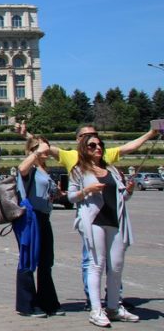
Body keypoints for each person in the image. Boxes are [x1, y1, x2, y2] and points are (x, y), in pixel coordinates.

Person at [19, 121, 158, 308]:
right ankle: (91, 301)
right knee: (91, 259)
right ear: (78, 140)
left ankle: (114, 299)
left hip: (112, 213)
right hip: (89, 214)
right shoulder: (72, 156)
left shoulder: (103, 153)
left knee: (114, 261)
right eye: (87, 138)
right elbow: (44, 148)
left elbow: (129, 147)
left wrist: (150, 134)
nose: (94, 143)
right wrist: (26, 135)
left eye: (95, 137)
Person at [68, 133, 139, 326]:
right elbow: (71, 197)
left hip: (115, 220)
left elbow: (122, 197)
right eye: (92, 145)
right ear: (84, 149)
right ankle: (96, 310)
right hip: (94, 221)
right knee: (96, 264)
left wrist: (129, 190)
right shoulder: (78, 171)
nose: (98, 148)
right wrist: (87, 191)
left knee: (116, 266)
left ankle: (114, 307)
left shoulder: (111, 170)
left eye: (100, 145)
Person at [14, 135, 62, 317]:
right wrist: (36, 153)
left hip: (44, 217)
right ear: (33, 150)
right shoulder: (30, 166)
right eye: (43, 149)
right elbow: (21, 169)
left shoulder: (43, 170)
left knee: (46, 261)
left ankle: (48, 302)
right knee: (28, 259)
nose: (47, 151)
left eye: (47, 148)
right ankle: (27, 305)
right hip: (30, 218)